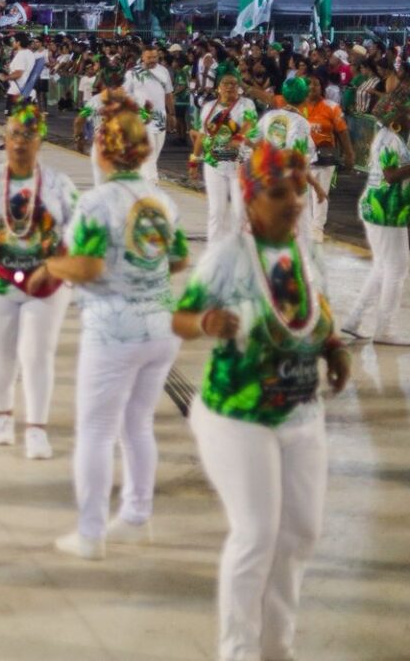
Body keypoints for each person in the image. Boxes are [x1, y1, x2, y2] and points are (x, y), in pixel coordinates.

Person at [172, 141, 349, 661]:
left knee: (299, 534)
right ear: (250, 199)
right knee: (256, 535)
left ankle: (277, 647)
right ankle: (238, 652)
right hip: (237, 417)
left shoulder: (305, 250)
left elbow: (317, 307)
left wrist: (334, 346)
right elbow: (179, 318)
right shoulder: (227, 257)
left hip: (300, 411)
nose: (294, 201)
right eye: (278, 193)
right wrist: (205, 322)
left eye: (297, 190)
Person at [47, 92, 189, 560]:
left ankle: (90, 534)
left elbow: (85, 268)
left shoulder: (96, 203)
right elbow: (179, 259)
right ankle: (135, 516)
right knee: (137, 424)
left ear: (102, 150)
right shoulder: (160, 201)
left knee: (95, 431)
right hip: (159, 327)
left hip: (113, 330)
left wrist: (52, 266)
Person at [0, 104, 77, 459]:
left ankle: (37, 427)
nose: (21, 142)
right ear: (4, 140)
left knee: (38, 353)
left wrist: (59, 264)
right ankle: (2, 416)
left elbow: (81, 233)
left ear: (41, 141)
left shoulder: (58, 184)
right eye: (14, 135)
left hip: (46, 282)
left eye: (29, 135)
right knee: (1, 353)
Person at [342, 93, 410, 345]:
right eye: (406, 111)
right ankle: (385, 329)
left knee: (384, 266)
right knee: (397, 268)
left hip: (381, 208)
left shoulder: (388, 137)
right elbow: (391, 176)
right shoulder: (390, 140)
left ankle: (354, 319)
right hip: (386, 210)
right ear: (395, 117)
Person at [188, 68, 258, 245]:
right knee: (216, 211)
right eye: (226, 84)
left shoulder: (246, 104)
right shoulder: (208, 108)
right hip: (214, 166)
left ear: (239, 88)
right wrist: (194, 161)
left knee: (240, 211)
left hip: (240, 165)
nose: (230, 87)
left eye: (234, 84)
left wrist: (238, 138)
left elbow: (250, 124)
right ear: (218, 87)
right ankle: (214, 250)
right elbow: (202, 136)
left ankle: (241, 248)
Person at [254, 77, 326, 241]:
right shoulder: (300, 123)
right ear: (305, 97)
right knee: (301, 233)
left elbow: (250, 142)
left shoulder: (269, 116)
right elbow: (296, 159)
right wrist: (315, 185)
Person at [301, 74, 352, 244]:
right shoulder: (298, 106)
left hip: (325, 157)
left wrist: (349, 154)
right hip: (302, 156)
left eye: (316, 84)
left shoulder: (332, 106)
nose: (312, 88)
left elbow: (342, 131)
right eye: (309, 84)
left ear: (321, 88)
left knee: (320, 193)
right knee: (304, 194)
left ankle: (318, 228)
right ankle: (306, 227)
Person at [124, 46, 174, 182]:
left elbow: (168, 94)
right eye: (149, 57)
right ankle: (153, 183)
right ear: (142, 57)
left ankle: (140, 178)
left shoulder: (163, 71)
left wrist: (172, 114)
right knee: (150, 151)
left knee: (154, 153)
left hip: (160, 117)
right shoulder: (132, 73)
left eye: (155, 57)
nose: (153, 60)